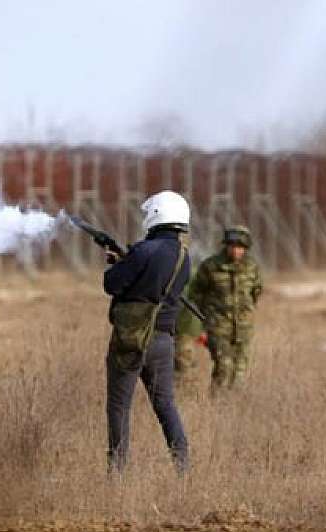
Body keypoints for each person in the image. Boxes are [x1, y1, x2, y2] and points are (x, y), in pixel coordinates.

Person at [103, 190, 191, 475]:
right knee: (165, 404)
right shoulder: (184, 257)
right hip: (163, 341)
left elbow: (112, 285)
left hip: (132, 339)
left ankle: (117, 473)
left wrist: (118, 263)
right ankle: (183, 467)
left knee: (119, 406)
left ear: (156, 215)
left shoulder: (143, 251)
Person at [189, 226, 263, 393]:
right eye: (233, 246)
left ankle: (234, 408)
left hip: (243, 327)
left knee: (240, 372)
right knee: (224, 366)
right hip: (218, 326)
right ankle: (217, 404)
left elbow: (256, 291)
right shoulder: (210, 266)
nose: (236, 250)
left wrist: (246, 311)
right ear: (226, 246)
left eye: (240, 247)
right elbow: (195, 292)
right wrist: (208, 315)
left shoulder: (251, 267)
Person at [173, 266, 205, 388]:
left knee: (183, 364)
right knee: (182, 363)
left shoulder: (185, 277)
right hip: (183, 329)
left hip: (184, 329)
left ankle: (186, 394)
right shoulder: (191, 273)